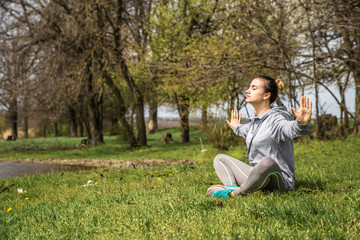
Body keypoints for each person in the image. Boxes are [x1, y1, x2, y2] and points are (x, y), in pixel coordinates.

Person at [207, 75, 312, 198]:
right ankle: (230, 187)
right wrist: (236, 127)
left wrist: (301, 124)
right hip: (257, 175)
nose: (248, 90)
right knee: (220, 158)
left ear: (266, 95)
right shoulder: (255, 122)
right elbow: (245, 130)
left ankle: (236, 193)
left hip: (279, 180)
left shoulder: (276, 118)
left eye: (254, 88)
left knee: (267, 162)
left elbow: (288, 129)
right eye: (249, 87)